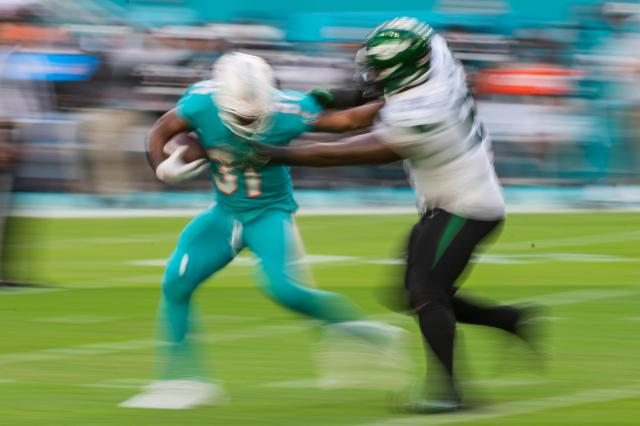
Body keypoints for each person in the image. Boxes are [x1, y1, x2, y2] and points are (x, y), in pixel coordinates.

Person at [244, 18, 540, 413]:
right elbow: (380, 88)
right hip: (446, 196)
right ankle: (508, 319)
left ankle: (449, 392)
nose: (373, 74)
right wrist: (323, 99)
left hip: (466, 205)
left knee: (425, 293)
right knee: (406, 294)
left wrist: (273, 153)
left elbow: (349, 150)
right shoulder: (431, 51)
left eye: (382, 69)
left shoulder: (425, 109)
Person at [120, 52, 396, 410]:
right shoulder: (203, 102)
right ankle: (182, 381)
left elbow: (346, 121)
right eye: (239, 115)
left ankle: (368, 331)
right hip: (224, 213)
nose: (248, 121)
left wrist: (392, 98)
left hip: (269, 213)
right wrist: (162, 167)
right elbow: (161, 130)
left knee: (284, 289)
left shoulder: (287, 110)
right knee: (176, 281)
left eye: (254, 114)